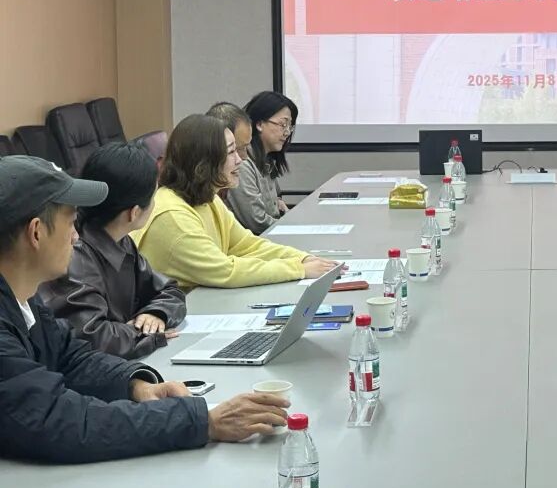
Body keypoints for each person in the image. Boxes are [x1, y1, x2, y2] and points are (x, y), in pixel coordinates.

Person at [0, 155, 292, 463]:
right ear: (36, 232)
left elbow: (71, 358)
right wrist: (202, 422)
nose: (76, 237)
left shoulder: (24, 299)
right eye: (71, 223)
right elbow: (62, 422)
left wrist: (136, 386)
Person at [134, 114, 337, 290]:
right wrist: (298, 269)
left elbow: (246, 245)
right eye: (231, 152)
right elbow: (225, 271)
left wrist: (303, 258)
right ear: (204, 162)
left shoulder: (206, 197)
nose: (241, 160)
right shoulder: (172, 217)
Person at [38, 143, 187, 359]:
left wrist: (155, 313)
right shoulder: (74, 254)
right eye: (153, 197)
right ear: (134, 213)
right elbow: (94, 338)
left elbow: (169, 291)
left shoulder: (120, 240)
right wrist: (146, 333)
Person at [227, 91, 296, 234]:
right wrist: (292, 226)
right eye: (283, 124)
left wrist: (279, 204)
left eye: (290, 126)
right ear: (259, 124)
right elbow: (257, 222)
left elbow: (274, 202)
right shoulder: (242, 162)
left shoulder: (266, 159)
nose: (287, 132)